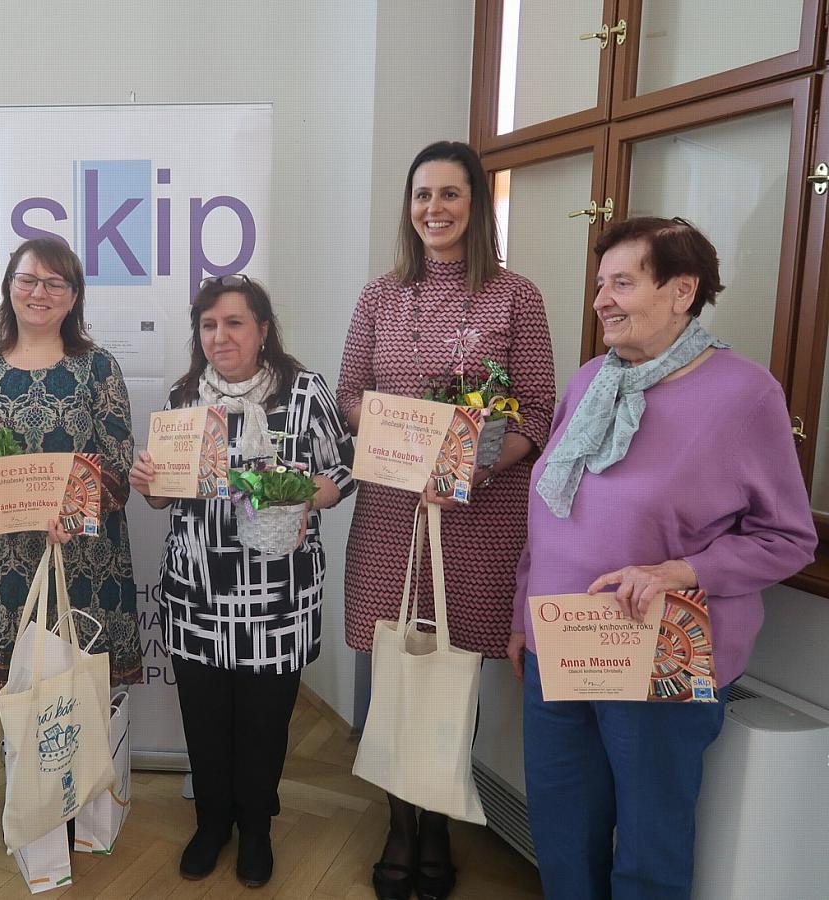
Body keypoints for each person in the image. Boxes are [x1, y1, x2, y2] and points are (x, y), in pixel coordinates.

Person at [508, 216, 817, 899]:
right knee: (562, 828)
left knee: (650, 844)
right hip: (561, 641)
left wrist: (681, 571)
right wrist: (521, 616)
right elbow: (548, 511)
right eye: (600, 285)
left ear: (683, 291)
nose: (601, 301)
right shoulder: (589, 381)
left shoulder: (744, 394)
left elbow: (788, 539)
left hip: (662, 648)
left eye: (622, 283)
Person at [337, 141, 555, 900]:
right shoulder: (378, 296)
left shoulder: (516, 296)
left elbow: (536, 411)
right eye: (422, 194)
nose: (434, 208)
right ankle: (401, 825)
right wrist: (406, 440)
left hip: (478, 518)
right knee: (396, 666)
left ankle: (438, 824)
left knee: (456, 673)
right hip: (392, 514)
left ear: (476, 205)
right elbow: (350, 394)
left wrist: (470, 465)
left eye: (450, 194)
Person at [129, 274, 355, 888]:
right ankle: (211, 824)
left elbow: (342, 471)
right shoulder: (183, 399)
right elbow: (164, 500)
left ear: (262, 330)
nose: (220, 336)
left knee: (263, 724)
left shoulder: (304, 392)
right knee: (204, 721)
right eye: (208, 325)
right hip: (197, 590)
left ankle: (256, 827)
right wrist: (149, 484)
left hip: (278, 594)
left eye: (234, 323)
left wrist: (298, 492)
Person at [0, 237, 141, 708]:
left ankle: (83, 760)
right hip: (1, 558)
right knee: (17, 703)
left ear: (73, 297)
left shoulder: (98, 367)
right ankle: (19, 760)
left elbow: (118, 465)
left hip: (80, 557)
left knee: (78, 704)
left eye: (55, 283)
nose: (39, 292)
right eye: (28, 280)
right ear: (9, 286)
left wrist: (73, 514)